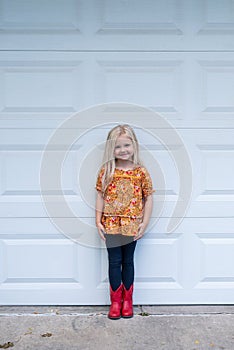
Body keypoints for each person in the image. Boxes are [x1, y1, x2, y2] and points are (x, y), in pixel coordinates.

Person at [95, 124, 154, 320]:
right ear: (111, 149)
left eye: (127, 145)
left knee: (128, 261)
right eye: (118, 147)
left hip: (132, 224)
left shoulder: (140, 172)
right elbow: (100, 196)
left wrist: (144, 223)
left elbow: (148, 198)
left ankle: (128, 301)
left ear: (134, 145)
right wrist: (98, 221)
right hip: (111, 223)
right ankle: (115, 302)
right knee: (114, 262)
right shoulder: (107, 171)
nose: (123, 150)